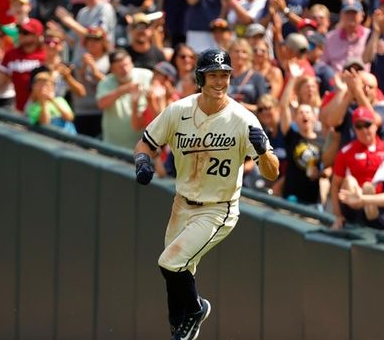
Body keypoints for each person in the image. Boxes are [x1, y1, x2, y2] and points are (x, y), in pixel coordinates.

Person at [133, 47, 279, 340]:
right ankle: (179, 325)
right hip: (182, 203)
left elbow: (271, 172)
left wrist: (263, 151)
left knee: (170, 263)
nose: (219, 81)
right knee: (173, 279)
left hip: (217, 208)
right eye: (213, 74)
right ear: (200, 77)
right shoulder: (179, 110)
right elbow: (146, 142)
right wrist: (142, 161)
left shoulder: (242, 118)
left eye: (224, 75)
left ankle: (198, 309)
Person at [330, 105, 384, 231]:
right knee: (350, 181)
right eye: (359, 126)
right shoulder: (346, 152)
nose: (364, 130)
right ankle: (363, 201)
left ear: (375, 126)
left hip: (380, 204)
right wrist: (338, 216)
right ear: (354, 129)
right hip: (353, 205)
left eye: (367, 125)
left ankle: (368, 202)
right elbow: (335, 185)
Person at [96, 50, 152, 149]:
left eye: (126, 65)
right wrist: (123, 89)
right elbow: (101, 104)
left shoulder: (147, 76)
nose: (125, 70)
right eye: (120, 67)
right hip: (114, 147)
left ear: (132, 63)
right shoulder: (105, 83)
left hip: (144, 146)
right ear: (112, 70)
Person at [25, 70, 77, 134]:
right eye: (40, 85)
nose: (43, 89)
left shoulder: (60, 100)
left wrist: (53, 100)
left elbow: (69, 117)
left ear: (53, 88)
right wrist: (43, 103)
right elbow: (45, 123)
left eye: (47, 86)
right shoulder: (32, 106)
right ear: (34, 87)